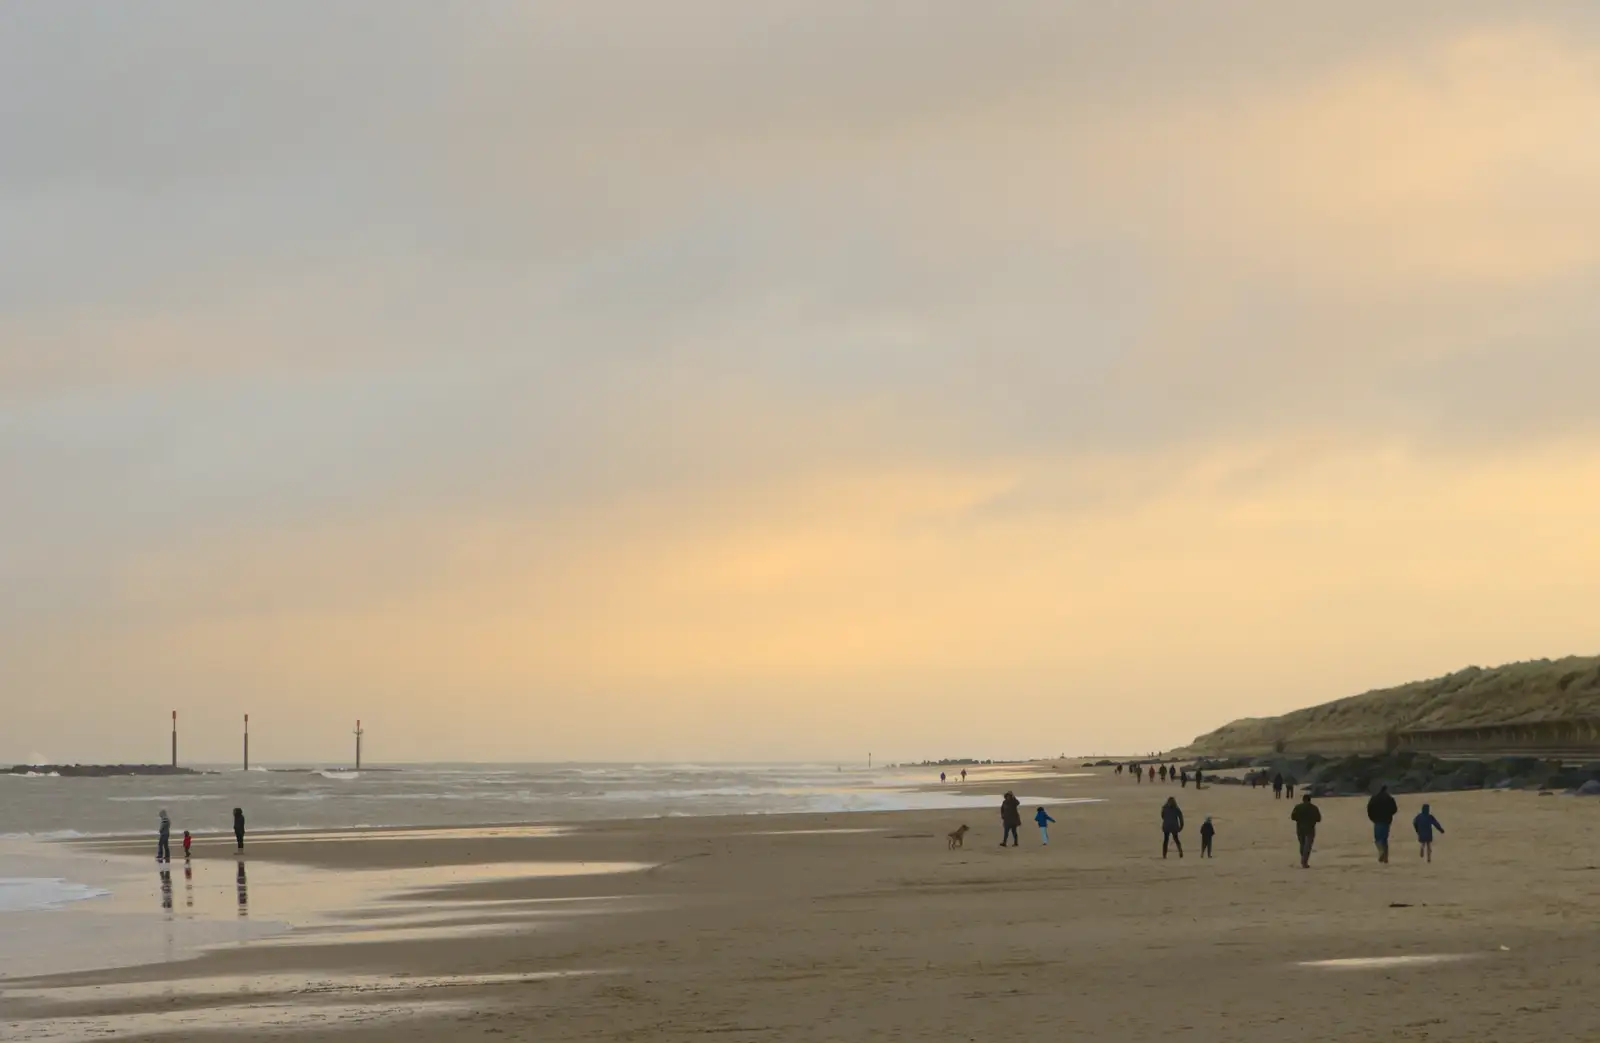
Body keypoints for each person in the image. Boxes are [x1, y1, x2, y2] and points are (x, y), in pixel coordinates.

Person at [1367, 785, 1399, 863]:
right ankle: (1386, 858)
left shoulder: (1374, 798)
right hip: (1386, 821)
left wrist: (1372, 818)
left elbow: (1369, 809)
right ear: (1386, 790)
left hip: (1377, 820)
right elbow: (1394, 809)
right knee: (1384, 839)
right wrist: (1389, 815)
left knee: (1378, 839)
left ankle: (1381, 851)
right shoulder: (1389, 799)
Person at [1291, 794, 1321, 868]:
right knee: (1307, 846)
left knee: (1302, 844)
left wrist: (1299, 819)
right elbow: (1318, 819)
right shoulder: (1314, 808)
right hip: (1310, 828)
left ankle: (1303, 859)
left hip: (1300, 828)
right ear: (1310, 800)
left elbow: (1293, 817)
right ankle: (1304, 861)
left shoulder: (1298, 807)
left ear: (1303, 799)